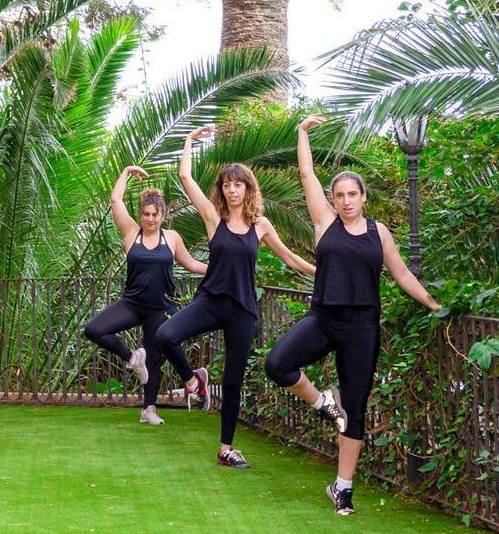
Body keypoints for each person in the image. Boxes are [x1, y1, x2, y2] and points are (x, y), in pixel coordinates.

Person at [265, 115, 444, 515]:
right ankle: (324, 401)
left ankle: (343, 487)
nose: (345, 201)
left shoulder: (379, 233)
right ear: (333, 200)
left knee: (357, 410)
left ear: (364, 197)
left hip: (362, 327)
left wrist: (432, 303)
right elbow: (307, 173)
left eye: (352, 194)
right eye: (339, 195)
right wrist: (302, 134)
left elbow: (400, 274)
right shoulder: (324, 223)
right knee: (277, 364)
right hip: (323, 319)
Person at [155, 126, 316, 469]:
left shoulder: (262, 225)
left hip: (242, 310)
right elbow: (185, 176)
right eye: (226, 184)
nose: (231, 189)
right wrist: (188, 141)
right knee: (166, 335)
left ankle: (226, 448)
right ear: (222, 190)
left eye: (237, 184)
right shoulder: (215, 220)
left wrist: (323, 272)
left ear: (248, 188)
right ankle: (193, 379)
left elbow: (290, 259)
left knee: (232, 380)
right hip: (211, 300)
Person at [83, 165, 208, 425]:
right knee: (94, 329)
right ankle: (131, 358)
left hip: (160, 308)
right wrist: (127, 171)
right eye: (146, 214)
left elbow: (192, 264)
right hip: (132, 304)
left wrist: (219, 271)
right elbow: (115, 200)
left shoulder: (171, 238)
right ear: (140, 214)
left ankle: (148, 409)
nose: (150, 219)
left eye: (155, 214)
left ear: (163, 214)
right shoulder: (131, 233)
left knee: (155, 358)